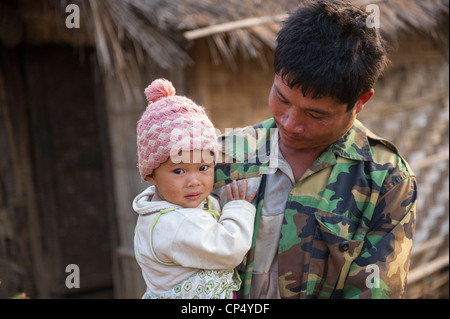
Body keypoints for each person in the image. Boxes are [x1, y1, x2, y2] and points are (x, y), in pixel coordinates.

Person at [212, 0, 417, 299]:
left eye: (316, 115)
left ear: (361, 101)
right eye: (281, 98)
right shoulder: (225, 156)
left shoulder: (387, 182)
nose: (290, 123)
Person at [133, 78, 257, 299]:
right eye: (179, 171)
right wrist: (238, 209)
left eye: (203, 167)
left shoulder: (161, 208)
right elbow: (230, 249)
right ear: (150, 175)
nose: (194, 181)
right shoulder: (173, 224)